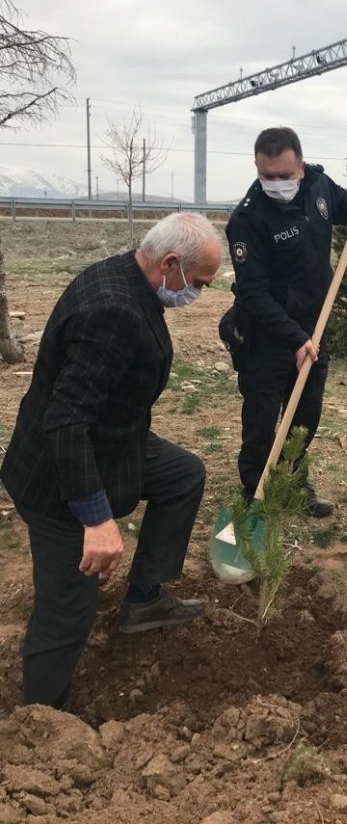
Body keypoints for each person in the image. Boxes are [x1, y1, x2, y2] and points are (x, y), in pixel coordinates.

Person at [0, 212, 223, 710]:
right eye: (201, 283)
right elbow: (67, 422)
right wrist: (96, 519)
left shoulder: (124, 274)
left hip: (114, 442)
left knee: (183, 475)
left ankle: (144, 599)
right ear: (170, 264)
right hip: (62, 474)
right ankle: (44, 719)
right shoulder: (113, 312)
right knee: (67, 612)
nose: (199, 294)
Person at [224, 126, 347, 516]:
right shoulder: (248, 219)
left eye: (284, 176)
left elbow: (344, 206)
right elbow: (253, 293)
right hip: (266, 334)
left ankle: (292, 482)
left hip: (315, 326)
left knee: (306, 412)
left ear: (302, 168)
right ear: (257, 167)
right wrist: (293, 338)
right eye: (266, 176)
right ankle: (254, 492)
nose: (275, 183)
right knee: (261, 418)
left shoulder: (319, 184)